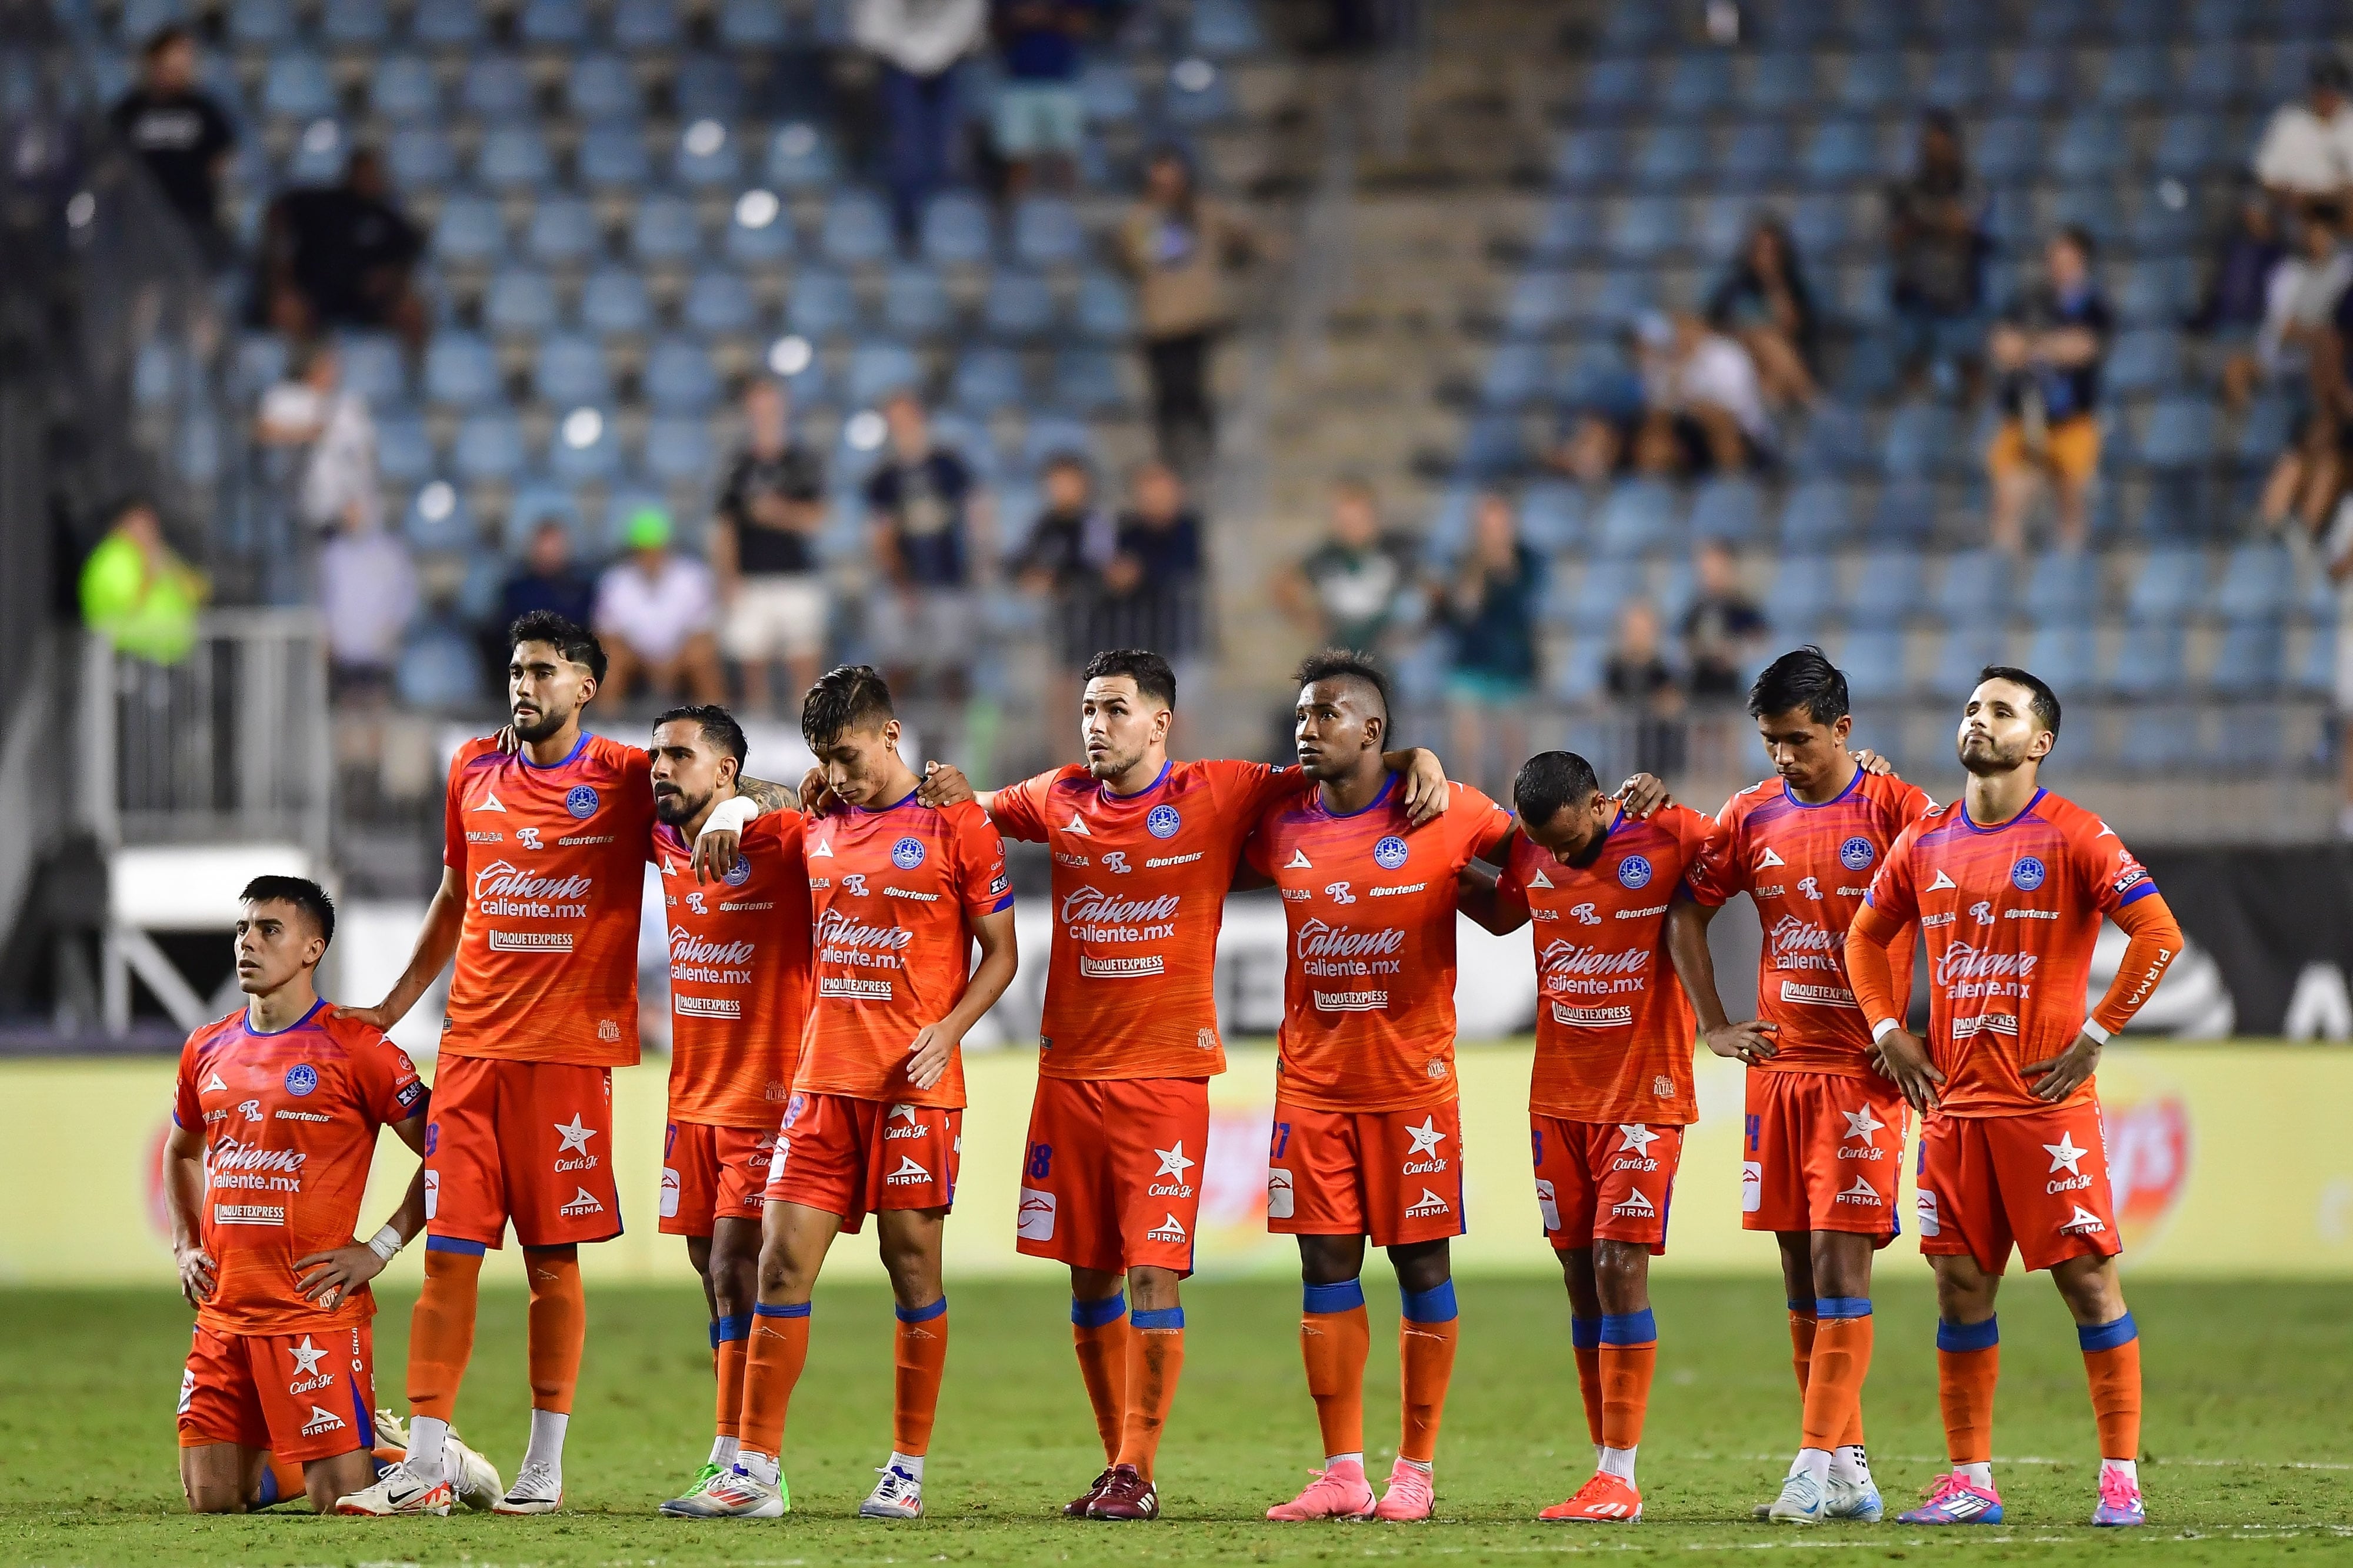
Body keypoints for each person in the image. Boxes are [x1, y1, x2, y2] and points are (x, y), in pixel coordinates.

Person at [911, 649, 1451, 1520]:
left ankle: (1138, 1465)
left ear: (1160, 721)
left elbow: (1340, 760)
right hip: (1069, 1077)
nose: (1096, 723)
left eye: (1116, 709)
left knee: (1151, 1276)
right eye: (1089, 708)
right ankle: (1117, 1463)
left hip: (1165, 1082)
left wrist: (1413, 759)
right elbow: (960, 806)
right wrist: (915, 788)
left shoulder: (1223, 789)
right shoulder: (1055, 796)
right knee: (1087, 1281)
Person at [332, 612, 789, 1518]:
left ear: (586, 686)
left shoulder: (629, 776)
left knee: (552, 1264)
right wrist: (391, 1008)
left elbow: (778, 792)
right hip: (470, 1050)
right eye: (515, 669)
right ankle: (425, 1463)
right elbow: (458, 893)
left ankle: (544, 1470)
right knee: (451, 1260)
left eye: (543, 670)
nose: (523, 684)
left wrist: (739, 803)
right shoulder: (472, 767)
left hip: (570, 1059)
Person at [1846, 667, 2183, 1529]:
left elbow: (2158, 931)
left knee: (2088, 1284)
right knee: (1959, 1287)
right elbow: (1865, 935)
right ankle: (1971, 1480)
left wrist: (2097, 1034)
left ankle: (2119, 1479)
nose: (1978, 719)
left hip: (2044, 1110)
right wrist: (1889, 1028)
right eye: (1971, 707)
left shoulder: (2073, 835)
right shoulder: (1925, 839)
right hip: (1955, 1109)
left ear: (2040, 742)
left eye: (2001, 710)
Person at [696, 665, 1017, 1522]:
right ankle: (754, 1470)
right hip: (822, 1080)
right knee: (778, 1263)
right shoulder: (818, 819)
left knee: (910, 1270)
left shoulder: (958, 824)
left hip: (916, 1086)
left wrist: (948, 1032)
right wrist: (735, 805)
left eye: (847, 755)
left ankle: (905, 1468)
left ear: (891, 733)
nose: (838, 775)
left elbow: (1002, 954)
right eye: (823, 760)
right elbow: (759, 797)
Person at [1244, 652, 1515, 1524]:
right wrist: (1412, 755)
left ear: (1373, 728)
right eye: (1300, 716)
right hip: (1312, 1089)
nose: (1306, 729)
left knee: (1420, 1263)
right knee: (1324, 1264)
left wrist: (1432, 797)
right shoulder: (1278, 818)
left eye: (1326, 715)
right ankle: (1342, 1472)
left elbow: (1531, 875)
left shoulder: (1449, 809)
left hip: (1413, 1088)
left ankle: (1417, 1472)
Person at [1667, 649, 1936, 1524]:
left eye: (1799, 739)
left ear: (1844, 730)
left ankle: (1810, 1467)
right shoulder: (1748, 815)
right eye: (1771, 741)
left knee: (1837, 1260)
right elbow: (1687, 910)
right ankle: (1849, 1468)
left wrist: (1913, 1027)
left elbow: (1961, 905)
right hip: (1780, 1069)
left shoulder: (1897, 808)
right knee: (1796, 1264)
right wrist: (1713, 1018)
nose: (1783, 756)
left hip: (1864, 1073)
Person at [166, 876, 496, 1516]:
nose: (247, 942)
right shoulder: (206, 1046)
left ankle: (432, 1461)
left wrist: (380, 1246)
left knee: (340, 1500)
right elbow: (181, 1150)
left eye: (269, 929)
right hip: (225, 1311)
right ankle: (354, 1441)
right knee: (212, 1498)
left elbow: (450, 1152)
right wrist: (185, 1244)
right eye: (242, 928)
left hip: (314, 1310)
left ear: (312, 949)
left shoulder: (357, 1047)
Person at [1447, 752, 1713, 1523]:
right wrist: (1439, 871)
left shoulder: (1663, 836)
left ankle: (1621, 1476)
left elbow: (1740, 852)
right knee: (1578, 1274)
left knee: (1618, 1262)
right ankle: (1605, 1467)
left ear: (1601, 802)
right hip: (1557, 1098)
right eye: (1547, 846)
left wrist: (1674, 798)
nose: (1559, 857)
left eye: (1570, 840)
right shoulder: (1534, 849)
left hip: (1644, 1090)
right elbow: (1504, 910)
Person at [642, 706, 814, 1512]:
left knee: (733, 1270)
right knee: (710, 1280)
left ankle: (754, 1467)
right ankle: (730, 1452)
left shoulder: (776, 835)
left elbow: (820, 809)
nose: (661, 767)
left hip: (766, 1098)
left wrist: (744, 807)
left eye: (681, 755)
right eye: (657, 755)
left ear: (726, 769)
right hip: (692, 1099)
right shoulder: (662, 837)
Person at [1117, 146, 1256, 475]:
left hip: (1197, 319)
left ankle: (1207, 458)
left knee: (1197, 393)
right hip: (1160, 322)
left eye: (1172, 175)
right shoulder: (1142, 217)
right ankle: (1169, 462)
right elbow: (1132, 258)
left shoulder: (1205, 211)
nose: (1167, 183)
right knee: (1166, 397)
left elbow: (1240, 235)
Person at [1985, 229, 2114, 555]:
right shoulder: (2027, 301)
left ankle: (2069, 573)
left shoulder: (2094, 307)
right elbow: (2002, 346)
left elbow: (2082, 348)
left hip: (2072, 421)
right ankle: (2006, 574)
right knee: (2008, 499)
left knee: (2072, 500)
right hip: (2025, 417)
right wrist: (2046, 346)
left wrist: (2031, 346)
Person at [712, 381, 830, 718]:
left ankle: (806, 729)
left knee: (803, 661)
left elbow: (817, 517)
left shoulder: (801, 462)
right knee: (752, 662)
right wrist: (728, 576)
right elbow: (726, 526)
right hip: (751, 576)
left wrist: (776, 512)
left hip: (795, 573)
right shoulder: (737, 466)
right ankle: (759, 733)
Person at [864, 392, 982, 698]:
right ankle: (898, 739)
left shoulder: (948, 466)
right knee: (899, 667)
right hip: (901, 587)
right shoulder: (884, 477)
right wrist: (901, 582)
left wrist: (979, 562)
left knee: (952, 666)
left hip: (948, 579)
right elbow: (882, 535)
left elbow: (975, 517)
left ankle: (956, 741)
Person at [261, 148, 428, 351]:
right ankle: (300, 373)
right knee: (286, 309)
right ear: (351, 173)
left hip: (366, 300)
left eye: (375, 174)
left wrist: (390, 277)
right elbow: (277, 211)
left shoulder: (387, 218)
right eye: (365, 173)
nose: (371, 179)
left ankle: (413, 375)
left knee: (411, 310)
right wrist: (282, 274)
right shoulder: (321, 204)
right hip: (315, 295)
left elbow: (408, 253)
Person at [852, 0, 986, 248]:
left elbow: (967, 18)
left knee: (946, 151)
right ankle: (908, 224)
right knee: (907, 150)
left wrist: (933, 49)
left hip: (948, 65)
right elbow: (872, 27)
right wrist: (914, 50)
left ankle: (944, 227)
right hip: (897, 66)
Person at [1435, 492, 1541, 800]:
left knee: (1514, 754)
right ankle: (1474, 811)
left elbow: (1527, 601)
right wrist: (1478, 569)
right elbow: (1465, 609)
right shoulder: (1465, 561)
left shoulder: (1528, 560)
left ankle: (1514, 818)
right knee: (1469, 750)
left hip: (1513, 665)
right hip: (1471, 663)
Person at [108, 25, 236, 261]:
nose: (181, 67)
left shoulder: (204, 110)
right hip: (141, 221)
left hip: (192, 218)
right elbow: (111, 160)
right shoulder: (129, 111)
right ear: (155, 61)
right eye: (175, 58)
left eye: (187, 59)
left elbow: (221, 160)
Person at [1886, 111, 1989, 397]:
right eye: (1929, 143)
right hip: (1915, 293)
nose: (1934, 150)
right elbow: (1896, 236)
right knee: (1912, 374)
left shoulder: (1969, 184)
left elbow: (1962, 224)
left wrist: (1925, 218)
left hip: (1960, 294)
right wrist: (1935, 221)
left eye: (1940, 143)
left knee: (1972, 374)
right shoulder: (1909, 187)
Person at [594, 508, 728, 708]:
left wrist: (672, 663)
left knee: (702, 657)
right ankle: (609, 728)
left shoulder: (693, 577)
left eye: (656, 550)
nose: (650, 557)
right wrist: (648, 664)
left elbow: (703, 632)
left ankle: (718, 725)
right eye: (644, 551)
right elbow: (608, 635)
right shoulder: (616, 581)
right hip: (636, 657)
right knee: (610, 662)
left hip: (682, 655)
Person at [1272, 478, 1418, 659]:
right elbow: (1284, 582)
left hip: (1396, 651)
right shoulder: (1327, 557)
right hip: (1344, 649)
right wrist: (1307, 618)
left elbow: (1434, 586)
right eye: (1344, 519)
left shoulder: (1400, 550)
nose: (1350, 526)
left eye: (1358, 518)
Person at [1095, 462, 1206, 698]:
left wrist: (1140, 572)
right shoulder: (1129, 532)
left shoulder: (1187, 530)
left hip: (1180, 639)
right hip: (1137, 640)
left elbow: (1183, 569)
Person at [1014, 452, 1116, 704]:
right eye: (1055, 483)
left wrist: (1057, 582)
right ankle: (1062, 744)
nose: (1060, 490)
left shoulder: (1094, 523)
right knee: (1058, 690)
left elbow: (1099, 568)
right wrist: (1029, 577)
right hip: (1058, 624)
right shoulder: (1045, 525)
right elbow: (1020, 562)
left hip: (1094, 624)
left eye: (1067, 483)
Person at [256, 341, 381, 535]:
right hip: (292, 495)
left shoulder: (350, 404)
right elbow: (263, 433)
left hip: (344, 504)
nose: (333, 371)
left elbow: (364, 455)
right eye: (327, 364)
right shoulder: (285, 398)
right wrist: (307, 433)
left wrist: (357, 499)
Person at [1634, 313, 1775, 475]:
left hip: (1742, 430)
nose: (1682, 337)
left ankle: (1732, 482)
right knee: (1654, 433)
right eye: (1678, 332)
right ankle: (1653, 491)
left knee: (1717, 421)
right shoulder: (1665, 360)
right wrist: (1675, 382)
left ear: (1701, 330)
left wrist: (1692, 404)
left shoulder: (1726, 356)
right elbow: (1658, 410)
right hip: (1688, 426)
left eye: (1687, 331)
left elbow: (1733, 408)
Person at [1707, 217, 1819, 411]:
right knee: (1763, 338)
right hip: (1746, 363)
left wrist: (1773, 283)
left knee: (1771, 348)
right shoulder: (1734, 290)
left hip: (1784, 365)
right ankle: (1813, 400)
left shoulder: (1794, 288)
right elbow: (1717, 331)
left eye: (1772, 252)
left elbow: (1795, 330)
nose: (1765, 258)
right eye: (1760, 250)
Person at [80, 497, 208, 665]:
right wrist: (150, 573)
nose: (151, 531)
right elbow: (126, 604)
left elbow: (199, 592)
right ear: (123, 524)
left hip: (169, 658)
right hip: (130, 657)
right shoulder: (114, 558)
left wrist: (173, 570)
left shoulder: (157, 554)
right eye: (143, 524)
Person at [317, 510, 418, 702]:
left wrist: (394, 626)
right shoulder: (334, 554)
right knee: (349, 706)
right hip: (345, 648)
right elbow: (326, 600)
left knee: (377, 704)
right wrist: (327, 635)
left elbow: (406, 595)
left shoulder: (390, 552)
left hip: (378, 647)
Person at [991, 0, 1089, 194]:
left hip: (1061, 81)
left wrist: (1043, 17)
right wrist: (1024, 18)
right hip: (1017, 82)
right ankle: (1020, 216)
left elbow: (1082, 23)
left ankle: (1068, 209)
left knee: (1066, 154)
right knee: (1017, 157)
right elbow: (995, 24)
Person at [2253, 54, 2353, 215]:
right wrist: (2292, 195)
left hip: (2341, 210)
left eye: (2333, 94)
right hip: (2296, 209)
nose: (2328, 100)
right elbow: (2266, 177)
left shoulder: (2350, 122)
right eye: (2323, 93)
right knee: (2256, 210)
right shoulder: (2289, 121)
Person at [1605, 600, 1684, 779]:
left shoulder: (1665, 670)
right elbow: (1605, 702)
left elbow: (1673, 706)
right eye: (1633, 629)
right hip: (1621, 754)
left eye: (1643, 630)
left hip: (1657, 755)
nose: (1637, 635)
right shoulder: (1614, 668)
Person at [499, 518, 598, 635]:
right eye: (545, 544)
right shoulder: (516, 592)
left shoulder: (583, 590)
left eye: (555, 544)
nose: (549, 551)